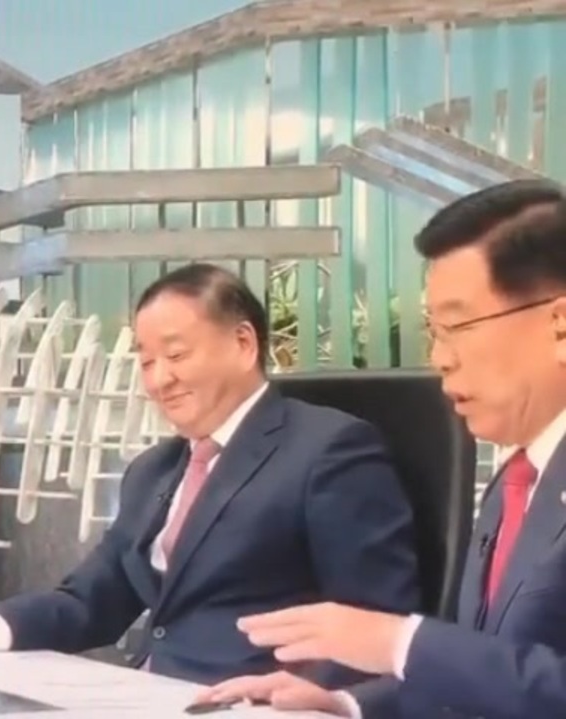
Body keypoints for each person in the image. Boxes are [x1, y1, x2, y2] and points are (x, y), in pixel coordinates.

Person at [0, 264, 421, 686]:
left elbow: (377, 623)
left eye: (175, 355)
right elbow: (89, 603)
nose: (159, 380)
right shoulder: (154, 470)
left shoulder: (329, 450)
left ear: (243, 343)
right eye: (146, 360)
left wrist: (309, 701)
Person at [199, 180, 566, 719]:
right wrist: (346, 702)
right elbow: (489, 672)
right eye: (433, 331)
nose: (440, 357)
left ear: (559, 325)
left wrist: (399, 642)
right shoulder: (519, 479)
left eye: (457, 326)